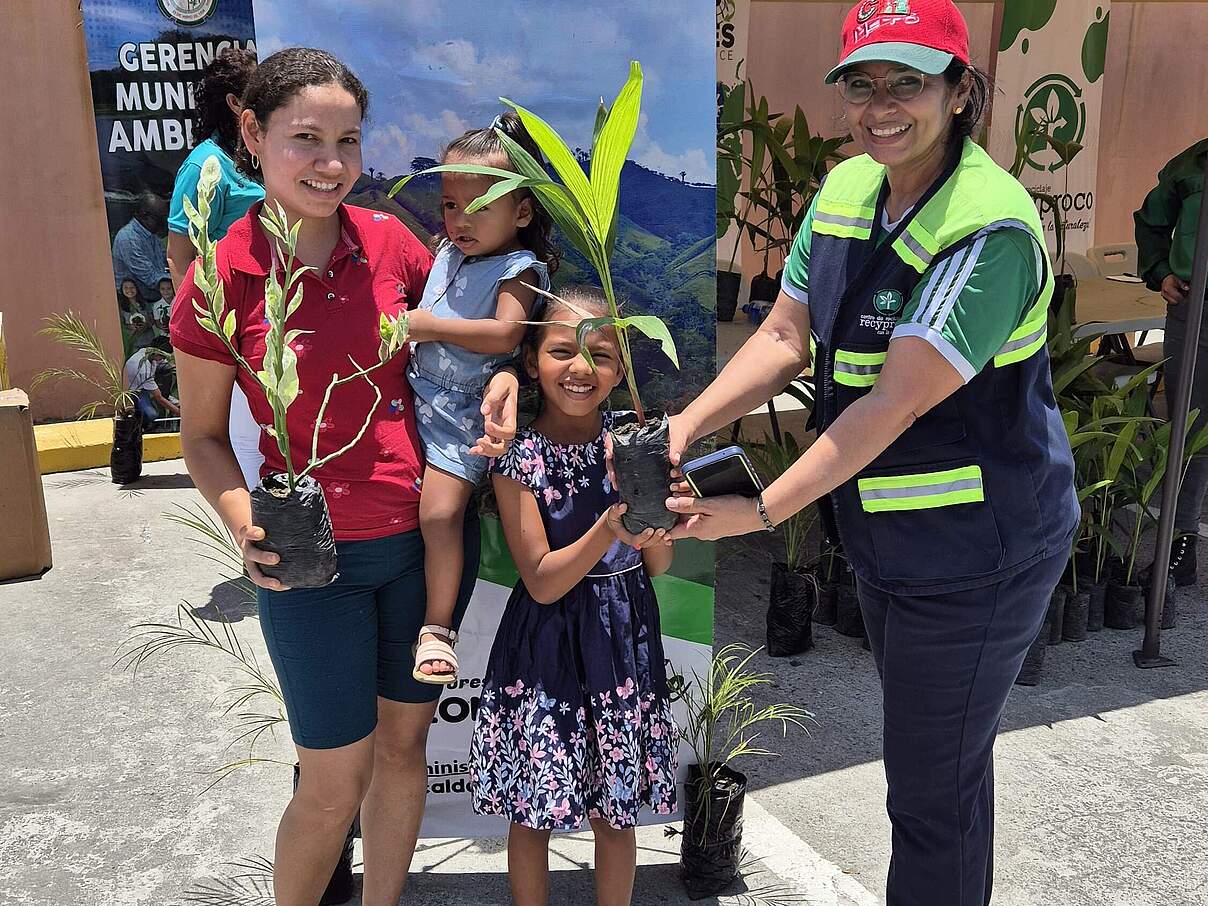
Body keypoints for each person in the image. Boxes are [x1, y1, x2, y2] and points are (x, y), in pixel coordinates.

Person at [662, 4, 1077, 905]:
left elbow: (890, 404)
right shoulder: (849, 189)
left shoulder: (988, 229)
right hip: (890, 536)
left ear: (961, 91)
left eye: (909, 83)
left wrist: (762, 511)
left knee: (928, 793)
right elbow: (783, 331)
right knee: (946, 766)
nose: (880, 105)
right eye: (863, 84)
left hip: (978, 549)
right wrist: (684, 424)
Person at [168, 47, 521, 906]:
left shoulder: (394, 246)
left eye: (349, 141)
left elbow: (478, 333)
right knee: (330, 784)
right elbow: (205, 437)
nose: (332, 164)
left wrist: (509, 379)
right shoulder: (222, 280)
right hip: (308, 567)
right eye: (306, 139)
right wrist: (240, 520)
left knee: (404, 755)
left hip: (420, 548)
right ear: (251, 136)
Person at [469, 290, 678, 906]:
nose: (581, 368)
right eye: (562, 350)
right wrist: (611, 524)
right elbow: (541, 578)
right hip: (546, 645)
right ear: (533, 362)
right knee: (533, 808)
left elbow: (659, 563)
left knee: (615, 810)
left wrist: (656, 517)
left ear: (620, 371)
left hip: (621, 636)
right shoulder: (516, 460)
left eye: (601, 355)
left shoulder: (633, 446)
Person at [405, 112, 556, 686]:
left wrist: (428, 326)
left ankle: (437, 629)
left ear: (521, 211)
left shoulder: (518, 269)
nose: (459, 221)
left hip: (464, 412)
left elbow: (505, 335)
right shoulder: (447, 251)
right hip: (412, 394)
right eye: (449, 206)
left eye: (477, 208)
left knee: (441, 514)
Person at [167, 47, 266, 491]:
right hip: (228, 318)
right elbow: (179, 253)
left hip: (272, 311)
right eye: (257, 93)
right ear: (232, 103)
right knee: (243, 435)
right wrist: (206, 323)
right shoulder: (206, 164)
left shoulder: (254, 157)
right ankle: (253, 538)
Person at [1135, 137, 1207, 586]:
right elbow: (1151, 221)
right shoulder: (1191, 163)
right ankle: (1181, 543)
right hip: (1195, 312)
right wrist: (1160, 269)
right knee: (1189, 429)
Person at [112, 192, 170, 304]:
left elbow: (165, 260)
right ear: (144, 216)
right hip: (138, 303)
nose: (163, 223)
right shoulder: (128, 239)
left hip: (157, 297)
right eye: (160, 218)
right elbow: (151, 279)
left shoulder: (151, 234)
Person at [124, 337, 179, 430]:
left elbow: (162, 363)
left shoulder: (145, 351)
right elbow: (159, 398)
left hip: (144, 382)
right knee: (152, 415)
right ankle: (144, 428)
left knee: (166, 370)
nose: (163, 359)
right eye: (163, 357)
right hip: (137, 391)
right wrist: (178, 412)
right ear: (157, 353)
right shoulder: (143, 369)